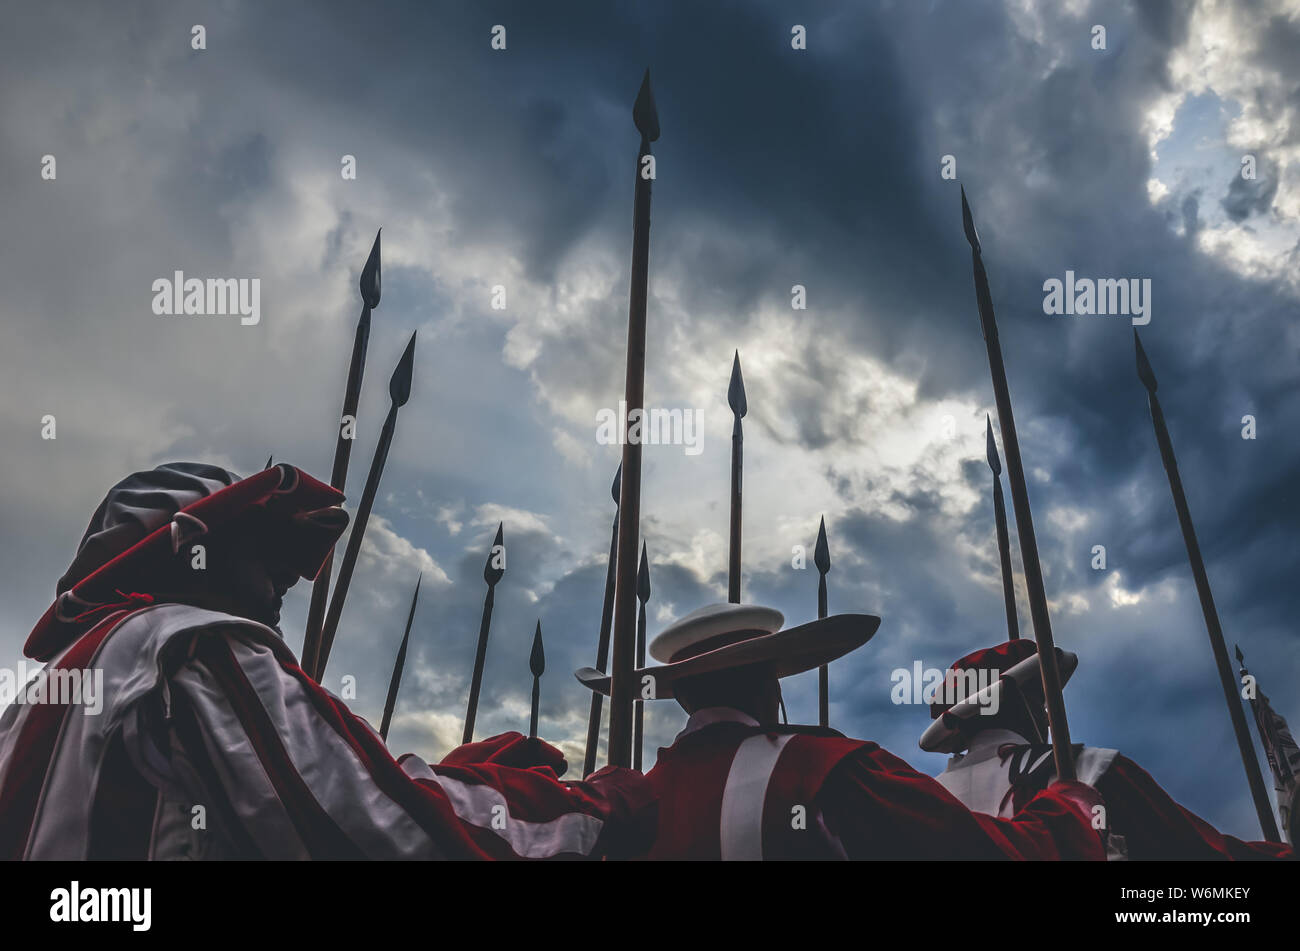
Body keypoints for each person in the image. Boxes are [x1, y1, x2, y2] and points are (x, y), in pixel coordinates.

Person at [0, 462, 651, 860]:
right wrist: (591, 805)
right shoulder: (191, 643)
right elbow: (378, 829)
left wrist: (452, 777)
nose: (290, 577)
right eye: (264, 548)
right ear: (198, 552)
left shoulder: (45, 693)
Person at [575, 602, 1105, 859]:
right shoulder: (828, 768)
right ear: (771, 687)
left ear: (682, 696)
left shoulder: (631, 797)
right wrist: (1070, 809)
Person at [920, 639, 1293, 860]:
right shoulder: (1088, 769)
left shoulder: (925, 798)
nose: (1049, 717)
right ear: (1022, 703)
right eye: (1041, 700)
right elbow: (1198, 854)